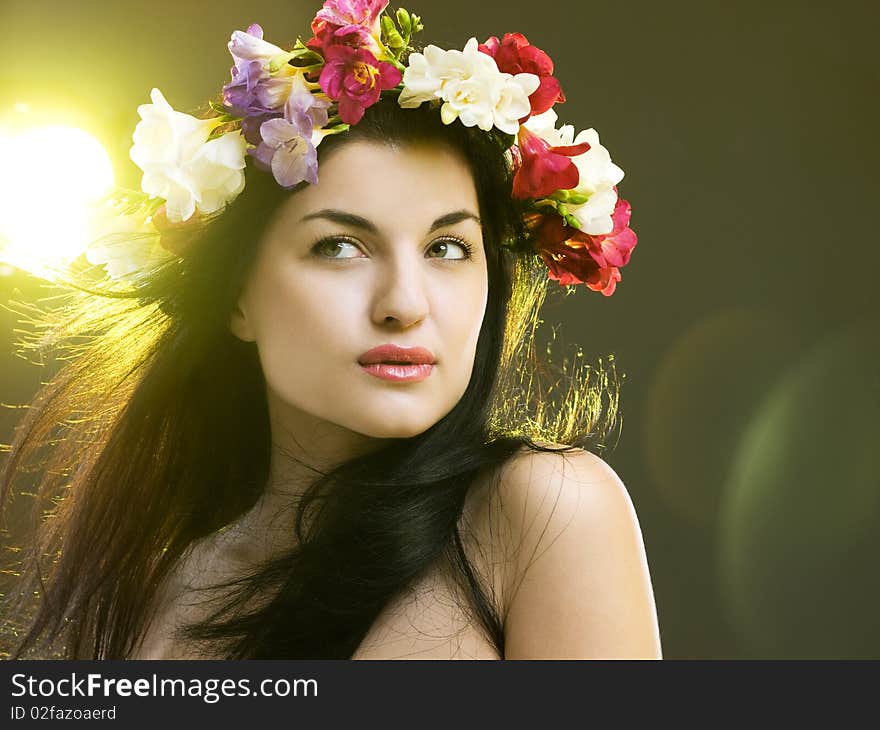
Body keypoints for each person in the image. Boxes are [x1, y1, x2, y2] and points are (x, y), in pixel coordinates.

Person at [0, 1, 660, 659]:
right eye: (340, 247)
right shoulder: (156, 582)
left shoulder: (540, 513)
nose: (404, 304)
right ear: (238, 299)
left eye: (448, 248)